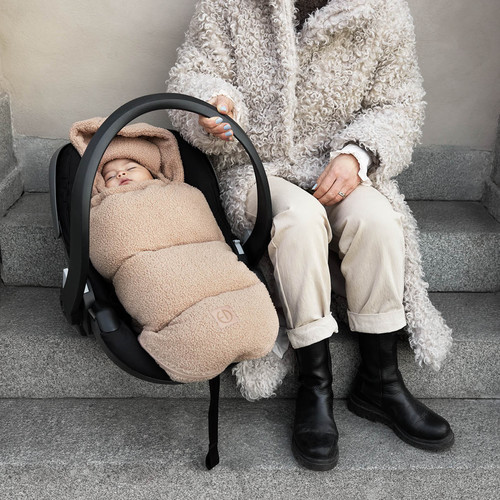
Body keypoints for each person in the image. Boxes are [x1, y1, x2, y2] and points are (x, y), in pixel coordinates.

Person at [166, 0, 455, 470]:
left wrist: (358, 154)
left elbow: (399, 102)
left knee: (377, 220)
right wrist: (213, 106)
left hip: (336, 163)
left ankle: (380, 382)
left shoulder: (382, 11)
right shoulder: (227, 4)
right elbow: (193, 73)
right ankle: (313, 385)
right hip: (257, 167)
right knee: (299, 220)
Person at [69, 117, 279, 384]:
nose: (121, 174)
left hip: (205, 257)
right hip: (150, 268)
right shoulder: (104, 208)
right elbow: (106, 250)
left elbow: (209, 233)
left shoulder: (182, 193)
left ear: (153, 172)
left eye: (131, 167)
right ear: (99, 185)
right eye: (110, 175)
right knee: (159, 287)